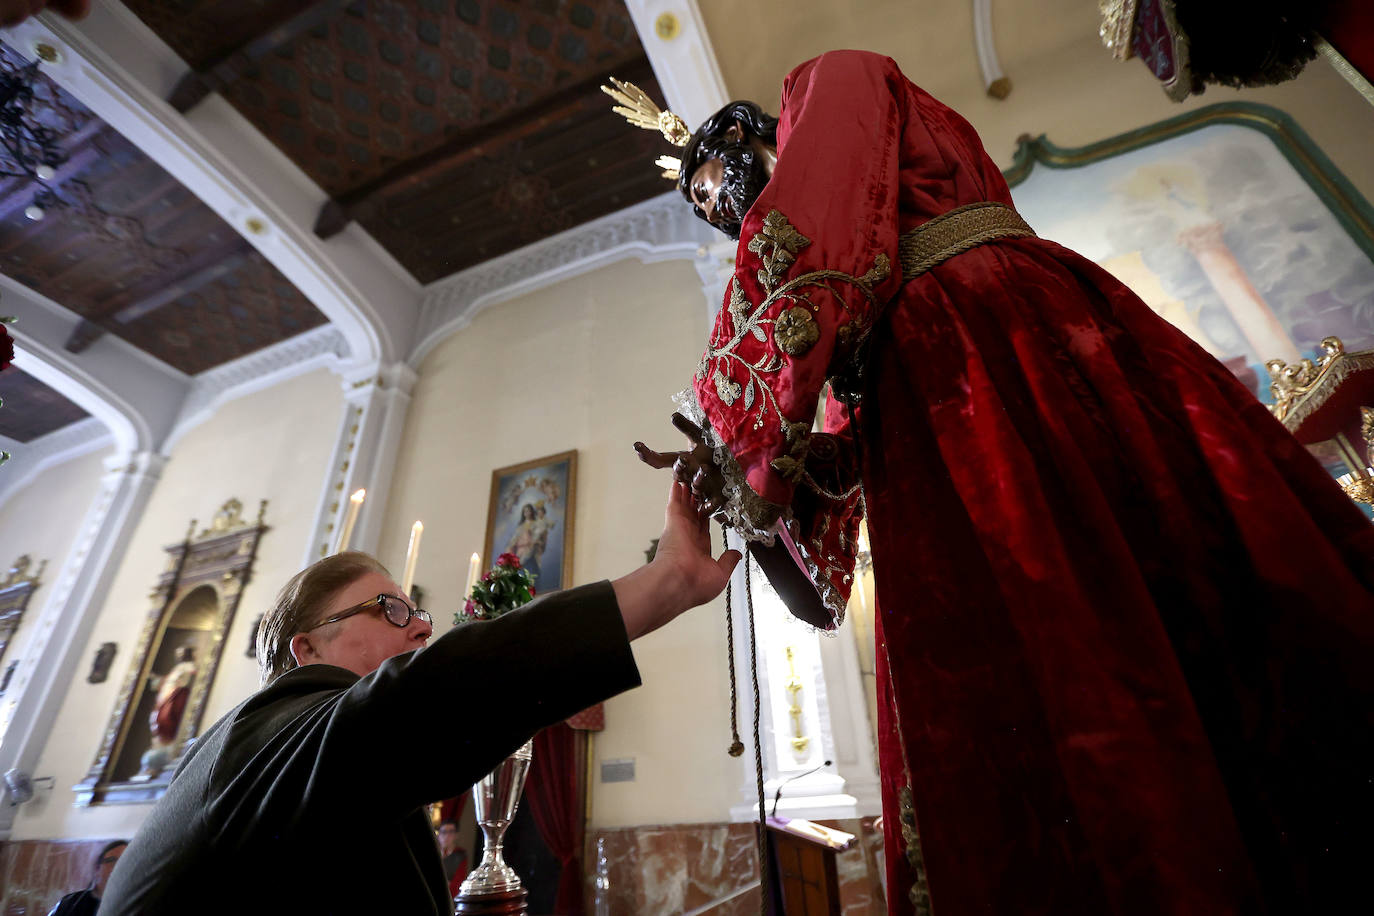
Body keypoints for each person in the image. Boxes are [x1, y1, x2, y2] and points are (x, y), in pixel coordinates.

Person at [632, 50, 1374, 914]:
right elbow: (836, 454)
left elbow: (808, 232)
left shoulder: (826, 82)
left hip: (981, 341)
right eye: (702, 209)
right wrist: (750, 481)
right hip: (941, 366)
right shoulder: (853, 321)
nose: (719, 208)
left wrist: (733, 431)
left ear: (749, 135)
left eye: (712, 183)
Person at [100, 480, 739, 915]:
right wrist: (667, 582)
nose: (422, 629)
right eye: (391, 609)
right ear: (307, 647)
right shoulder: (267, 733)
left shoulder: (295, 755)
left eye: (419, 613)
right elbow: (418, 699)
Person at [46, 840, 126, 916]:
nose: (119, 866)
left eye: (125, 861)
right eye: (112, 860)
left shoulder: (131, 905)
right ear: (97, 868)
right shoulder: (71, 903)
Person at [436, 818, 468, 897]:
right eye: (443, 832)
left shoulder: (460, 855)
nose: (446, 836)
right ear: (438, 835)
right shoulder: (433, 853)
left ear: (456, 835)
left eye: (451, 832)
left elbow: (457, 885)